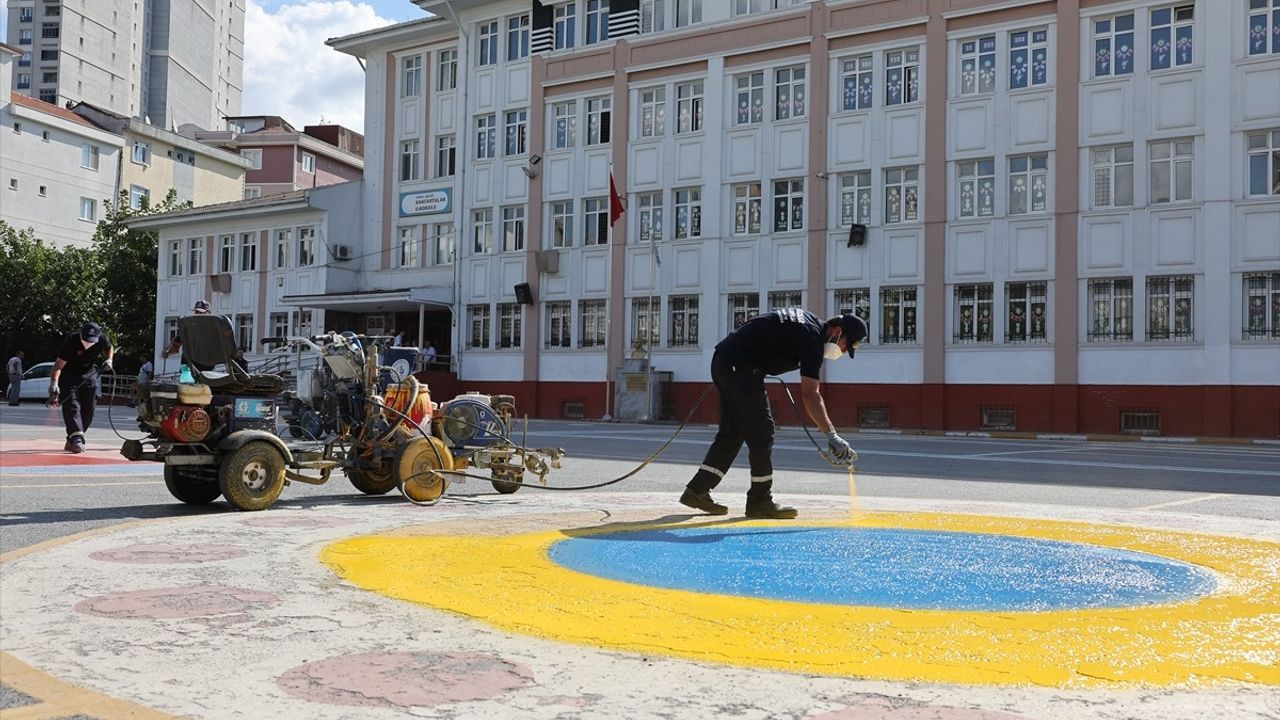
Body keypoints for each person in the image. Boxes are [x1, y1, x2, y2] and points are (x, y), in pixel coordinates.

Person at [680, 309, 867, 520]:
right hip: (740, 366)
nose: (841, 352)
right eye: (845, 345)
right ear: (836, 331)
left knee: (732, 432)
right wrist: (831, 435)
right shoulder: (812, 340)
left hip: (725, 359)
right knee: (762, 433)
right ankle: (760, 501)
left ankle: (697, 491)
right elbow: (810, 395)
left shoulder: (808, 322)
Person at [49, 322, 114, 454]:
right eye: (85, 340)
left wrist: (109, 360)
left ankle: (72, 438)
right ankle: (78, 439)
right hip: (69, 375)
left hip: (89, 373)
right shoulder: (71, 342)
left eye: (91, 341)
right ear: (80, 334)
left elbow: (109, 348)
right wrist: (54, 383)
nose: (88, 343)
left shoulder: (101, 339)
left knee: (89, 407)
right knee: (72, 405)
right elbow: (58, 366)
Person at [162, 299, 212, 369]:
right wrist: (168, 351)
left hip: (207, 371)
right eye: (197, 312)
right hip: (188, 369)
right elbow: (175, 345)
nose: (198, 314)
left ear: (209, 313)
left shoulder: (215, 329)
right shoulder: (189, 329)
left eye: (201, 312)